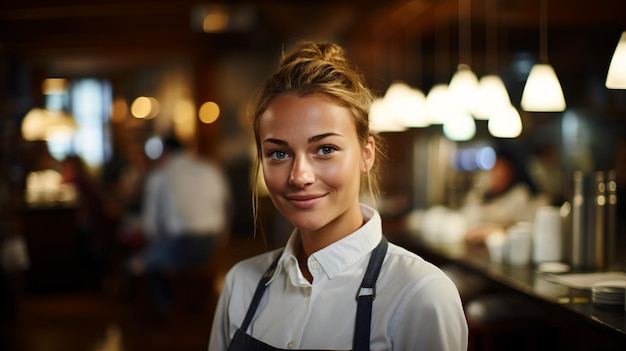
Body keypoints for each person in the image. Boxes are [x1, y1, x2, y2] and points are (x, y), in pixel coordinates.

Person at [209, 41, 467, 351]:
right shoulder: (241, 284)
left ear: (366, 154)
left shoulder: (421, 295)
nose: (300, 176)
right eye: (278, 153)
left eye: (325, 149)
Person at [132, 135, 233, 313]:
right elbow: (226, 206)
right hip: (211, 243)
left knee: (142, 264)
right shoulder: (209, 169)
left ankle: (165, 309)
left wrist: (154, 246)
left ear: (165, 152)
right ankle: (195, 305)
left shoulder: (160, 175)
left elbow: (151, 226)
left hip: (180, 243)